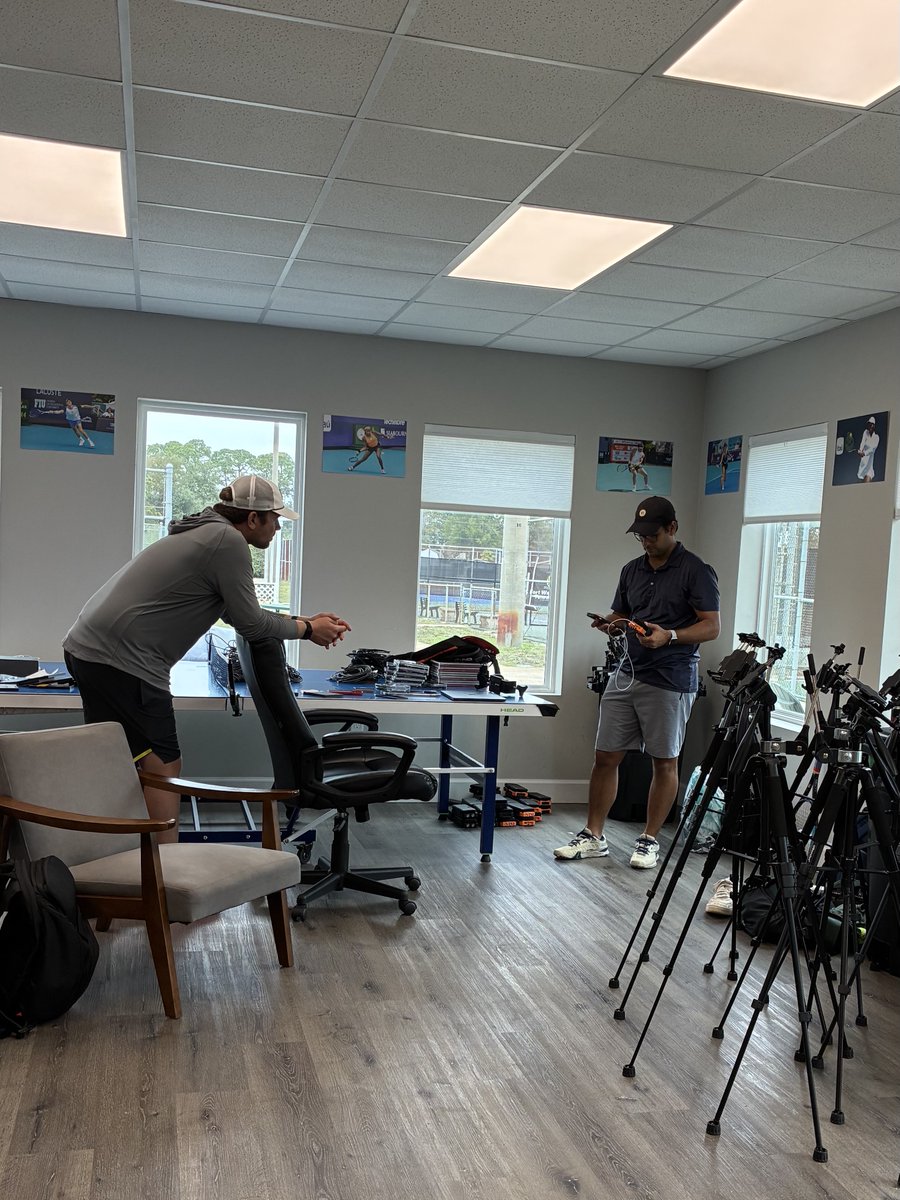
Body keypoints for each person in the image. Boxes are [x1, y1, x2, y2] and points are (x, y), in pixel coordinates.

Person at [63, 475, 350, 843]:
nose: (279, 526)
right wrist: (308, 631)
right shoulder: (226, 541)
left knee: (119, 760)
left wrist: (307, 621)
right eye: (274, 518)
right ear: (251, 519)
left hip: (88, 650)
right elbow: (249, 621)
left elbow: (236, 613)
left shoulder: (204, 533)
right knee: (164, 767)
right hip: (124, 662)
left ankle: (117, 859)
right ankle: (161, 878)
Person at [554, 496, 720, 869]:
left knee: (664, 762)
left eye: (652, 534)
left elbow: (712, 626)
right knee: (605, 756)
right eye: (640, 536)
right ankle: (594, 836)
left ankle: (648, 840)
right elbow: (624, 613)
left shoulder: (696, 571)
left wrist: (670, 636)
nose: (646, 542)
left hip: (670, 679)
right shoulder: (632, 569)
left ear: (672, 528)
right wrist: (610, 622)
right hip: (626, 674)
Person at [857, 417, 879, 482]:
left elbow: (872, 449)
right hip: (862, 464)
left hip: (869, 466)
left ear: (874, 426)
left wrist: (864, 453)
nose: (870, 426)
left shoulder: (876, 437)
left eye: (872, 424)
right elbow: (862, 442)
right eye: (869, 424)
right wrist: (860, 450)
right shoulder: (865, 432)